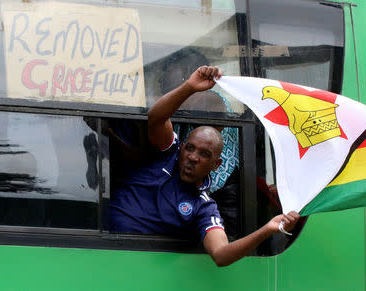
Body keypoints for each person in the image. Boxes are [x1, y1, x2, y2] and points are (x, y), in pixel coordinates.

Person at [109, 65, 300, 267]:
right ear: (181, 147)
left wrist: (269, 228)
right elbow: (156, 118)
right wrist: (190, 87)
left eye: (204, 154)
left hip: (135, 259)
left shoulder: (204, 206)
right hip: (108, 241)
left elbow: (221, 254)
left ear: (216, 164)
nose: (192, 157)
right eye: (189, 148)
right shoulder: (168, 152)